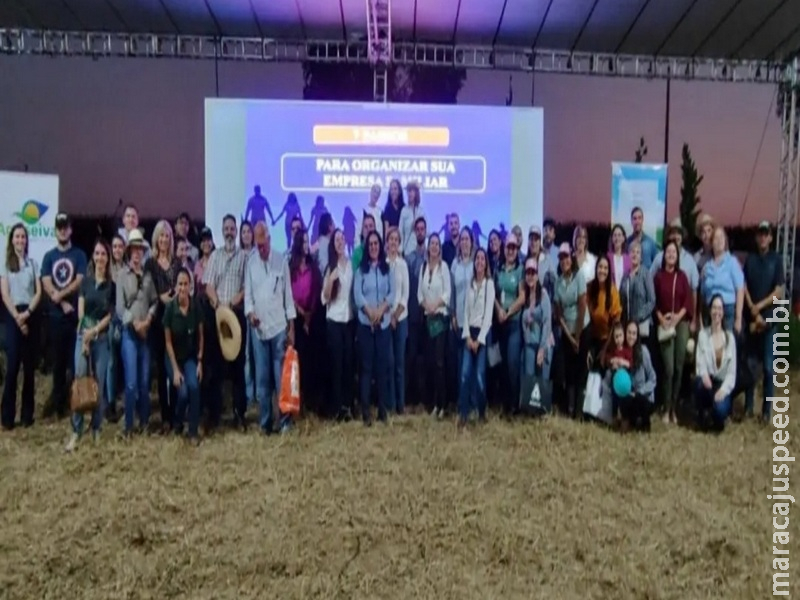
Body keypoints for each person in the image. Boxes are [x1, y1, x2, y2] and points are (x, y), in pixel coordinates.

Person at [245, 222, 296, 434]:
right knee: (263, 380)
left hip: (278, 329)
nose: (261, 249)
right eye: (258, 246)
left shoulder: (281, 261)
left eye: (263, 244)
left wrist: (291, 328)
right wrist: (251, 314)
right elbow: (248, 296)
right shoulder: (251, 263)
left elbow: (288, 297)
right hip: (259, 331)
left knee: (281, 379)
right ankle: (265, 423)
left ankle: (285, 421)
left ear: (269, 240)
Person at [66, 239, 115, 451]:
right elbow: (81, 311)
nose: (100, 257)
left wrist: (95, 332)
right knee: (79, 383)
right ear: (93, 257)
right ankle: (76, 431)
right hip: (83, 338)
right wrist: (85, 336)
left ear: (108, 258)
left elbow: (109, 316)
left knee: (99, 385)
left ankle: (96, 429)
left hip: (101, 340)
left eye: (103, 254)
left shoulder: (111, 286)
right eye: (97, 254)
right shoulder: (85, 283)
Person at [203, 214, 249, 431]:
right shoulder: (214, 257)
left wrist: (234, 301)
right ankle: (215, 415)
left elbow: (247, 287)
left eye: (232, 228)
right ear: (222, 231)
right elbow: (208, 284)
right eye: (226, 228)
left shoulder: (244, 257)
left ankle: (240, 415)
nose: (229, 232)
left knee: (238, 369)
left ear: (236, 230)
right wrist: (217, 302)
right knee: (216, 369)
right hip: (218, 317)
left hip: (237, 317)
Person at [41, 213, 88, 418]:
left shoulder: (79, 255)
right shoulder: (49, 256)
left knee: (75, 363)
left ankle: (76, 403)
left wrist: (62, 294)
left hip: (75, 317)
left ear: (70, 229)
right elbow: (46, 281)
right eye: (59, 227)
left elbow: (79, 280)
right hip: (56, 317)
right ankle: (59, 406)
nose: (62, 230)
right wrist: (60, 300)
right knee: (59, 364)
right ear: (55, 230)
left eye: (65, 227)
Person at [116, 229, 158, 436]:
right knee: (131, 382)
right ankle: (128, 425)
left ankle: (144, 422)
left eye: (140, 250)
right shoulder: (122, 276)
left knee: (143, 382)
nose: (136, 253)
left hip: (146, 333)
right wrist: (135, 324)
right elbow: (119, 308)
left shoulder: (148, 276)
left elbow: (155, 301)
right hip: (130, 334)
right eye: (133, 249)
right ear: (129, 251)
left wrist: (148, 319)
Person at [0, 224, 41, 430]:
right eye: (17, 237)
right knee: (13, 368)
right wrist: (17, 317)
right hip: (12, 315)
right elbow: (5, 293)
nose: (20, 240)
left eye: (23, 237)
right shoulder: (5, 264)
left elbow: (38, 292)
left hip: (30, 315)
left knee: (29, 369)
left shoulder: (33, 264)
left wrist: (28, 314)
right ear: (12, 240)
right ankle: (7, 417)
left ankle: (27, 416)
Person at [743, 221, 784, 421]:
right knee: (750, 366)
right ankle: (749, 407)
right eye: (760, 233)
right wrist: (752, 308)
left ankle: (767, 411)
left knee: (768, 367)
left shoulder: (776, 260)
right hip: (752, 320)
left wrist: (760, 306)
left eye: (766, 234)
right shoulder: (750, 260)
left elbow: (779, 292)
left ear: (770, 237)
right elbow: (744, 286)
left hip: (770, 322)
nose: (762, 237)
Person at [354, 230, 394, 425]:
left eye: (376, 244)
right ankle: (366, 412)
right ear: (366, 247)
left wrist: (380, 311)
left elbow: (392, 293)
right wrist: (370, 313)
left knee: (382, 369)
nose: (373, 247)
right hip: (366, 326)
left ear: (380, 246)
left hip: (383, 326)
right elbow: (357, 296)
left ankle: (382, 410)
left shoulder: (387, 270)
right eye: (370, 244)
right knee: (366, 369)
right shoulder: (361, 271)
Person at [145, 219, 181, 433]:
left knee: (173, 369)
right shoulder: (150, 263)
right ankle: (165, 417)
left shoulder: (177, 263)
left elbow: (181, 287)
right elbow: (149, 292)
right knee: (161, 372)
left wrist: (173, 297)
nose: (164, 239)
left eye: (167, 235)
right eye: (161, 236)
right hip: (157, 323)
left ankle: (176, 416)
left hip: (174, 322)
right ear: (156, 239)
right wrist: (161, 298)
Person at [653, 241, 693, 425]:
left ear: (677, 256)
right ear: (664, 255)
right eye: (667, 251)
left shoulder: (682, 276)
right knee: (668, 368)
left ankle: (673, 409)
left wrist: (678, 318)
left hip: (681, 323)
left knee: (678, 367)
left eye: (673, 252)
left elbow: (688, 301)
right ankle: (665, 405)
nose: (670, 254)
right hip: (665, 324)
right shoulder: (658, 277)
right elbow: (654, 302)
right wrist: (662, 318)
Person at [163, 267, 204, 444]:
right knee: (183, 393)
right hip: (172, 358)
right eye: (180, 284)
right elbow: (168, 342)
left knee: (194, 387)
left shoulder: (196, 307)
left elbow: (201, 337)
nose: (182, 288)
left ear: (190, 286)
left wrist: (200, 361)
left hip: (190, 357)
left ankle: (193, 431)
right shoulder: (170, 309)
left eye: (186, 284)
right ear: (175, 286)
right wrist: (175, 371)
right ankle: (178, 422)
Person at [321, 228, 354, 421]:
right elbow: (324, 298)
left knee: (348, 366)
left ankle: (347, 406)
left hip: (348, 322)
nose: (340, 242)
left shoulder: (350, 265)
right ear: (333, 244)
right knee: (336, 367)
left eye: (342, 239)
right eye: (337, 240)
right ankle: (336, 409)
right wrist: (330, 282)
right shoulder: (330, 268)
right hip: (333, 322)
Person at [458, 248, 494, 426]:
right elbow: (465, 312)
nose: (479, 262)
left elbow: (488, 316)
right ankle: (463, 414)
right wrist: (467, 337)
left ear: (486, 263)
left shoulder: (489, 284)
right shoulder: (469, 284)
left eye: (482, 259)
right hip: (468, 333)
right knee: (465, 375)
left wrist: (479, 340)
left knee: (479, 376)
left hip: (482, 334)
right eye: (477, 258)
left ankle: (481, 412)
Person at [554, 242, 590, 418]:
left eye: (566, 257)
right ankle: (569, 409)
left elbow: (582, 306)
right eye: (561, 258)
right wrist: (570, 337)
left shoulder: (580, 276)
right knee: (569, 370)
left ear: (571, 258)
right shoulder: (558, 282)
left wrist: (578, 335)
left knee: (581, 370)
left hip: (582, 328)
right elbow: (559, 314)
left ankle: (579, 410)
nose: (564, 261)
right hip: (568, 333)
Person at [288, 228, 322, 414]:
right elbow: (288, 294)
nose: (306, 246)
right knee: (297, 363)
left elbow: (316, 292)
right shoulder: (291, 269)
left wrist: (309, 314)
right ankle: (296, 401)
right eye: (304, 242)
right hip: (296, 320)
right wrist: (299, 311)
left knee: (311, 363)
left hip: (312, 320)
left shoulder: (313, 268)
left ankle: (311, 400)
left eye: (308, 242)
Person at [418, 233, 451, 418]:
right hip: (427, 321)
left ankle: (442, 404)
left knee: (440, 363)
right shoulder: (423, 267)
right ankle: (433, 404)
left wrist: (435, 305)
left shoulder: (444, 267)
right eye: (432, 244)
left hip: (440, 319)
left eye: (437, 244)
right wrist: (426, 306)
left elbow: (447, 294)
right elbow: (419, 296)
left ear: (440, 248)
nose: (434, 247)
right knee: (430, 363)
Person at [695, 295, 737, 432]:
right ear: (710, 310)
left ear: (723, 312)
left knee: (720, 410)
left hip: (722, 384)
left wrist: (723, 390)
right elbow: (700, 362)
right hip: (708, 382)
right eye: (714, 308)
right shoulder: (703, 335)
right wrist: (704, 375)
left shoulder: (730, 338)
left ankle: (717, 416)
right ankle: (703, 414)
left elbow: (731, 374)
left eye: (719, 308)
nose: (716, 312)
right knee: (698, 384)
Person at [494, 232, 525, 416]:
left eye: (514, 247)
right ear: (504, 249)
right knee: (503, 364)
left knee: (513, 363)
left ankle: (515, 404)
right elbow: (495, 295)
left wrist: (508, 311)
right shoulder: (498, 269)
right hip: (500, 323)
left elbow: (522, 297)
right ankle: (505, 404)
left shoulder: (520, 270)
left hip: (513, 323)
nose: (511, 250)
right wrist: (498, 310)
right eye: (508, 247)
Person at [613, 320, 657, 432]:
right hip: (629, 394)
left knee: (639, 400)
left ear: (637, 335)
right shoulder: (622, 353)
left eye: (634, 333)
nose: (631, 336)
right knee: (624, 399)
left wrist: (640, 392)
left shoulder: (643, 351)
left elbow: (653, 378)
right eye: (629, 332)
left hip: (644, 395)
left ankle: (643, 422)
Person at [700, 226, 744, 334]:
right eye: (716, 238)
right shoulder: (707, 266)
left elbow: (740, 289)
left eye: (722, 237)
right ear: (711, 243)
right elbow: (702, 294)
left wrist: (738, 318)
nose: (719, 241)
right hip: (711, 311)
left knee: (727, 346)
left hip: (727, 311)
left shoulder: (732, 262)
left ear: (725, 241)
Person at [386, 227, 410, 415]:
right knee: (389, 362)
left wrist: (395, 316)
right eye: (391, 239)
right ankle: (390, 403)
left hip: (400, 319)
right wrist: (388, 316)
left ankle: (401, 404)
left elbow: (405, 294)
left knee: (400, 364)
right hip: (386, 320)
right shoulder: (383, 264)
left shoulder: (403, 265)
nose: (393, 242)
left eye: (396, 239)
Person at [521, 257, 552, 401]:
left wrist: (542, 348)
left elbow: (547, 322)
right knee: (529, 375)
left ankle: (542, 409)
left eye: (533, 272)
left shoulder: (543, 294)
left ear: (537, 274)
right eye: (528, 272)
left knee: (542, 378)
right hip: (529, 342)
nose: (530, 276)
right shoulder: (525, 296)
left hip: (543, 342)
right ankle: (530, 408)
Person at [586, 255, 622, 360]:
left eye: (606, 268)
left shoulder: (613, 291)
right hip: (590, 339)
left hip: (608, 340)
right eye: (600, 267)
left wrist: (605, 349)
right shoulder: (589, 288)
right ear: (596, 269)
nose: (602, 270)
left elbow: (616, 322)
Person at [399, 181, 424, 256]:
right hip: (407, 251)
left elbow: (428, 231)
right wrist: (400, 250)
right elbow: (400, 231)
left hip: (419, 251)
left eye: (411, 191)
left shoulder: (420, 211)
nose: (409, 194)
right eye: (408, 191)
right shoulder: (404, 210)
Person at [607, 224, 629, 290]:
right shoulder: (607, 257)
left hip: (625, 296)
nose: (617, 238)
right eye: (615, 235)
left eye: (619, 235)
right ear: (612, 238)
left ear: (623, 238)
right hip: (612, 295)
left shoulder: (628, 259)